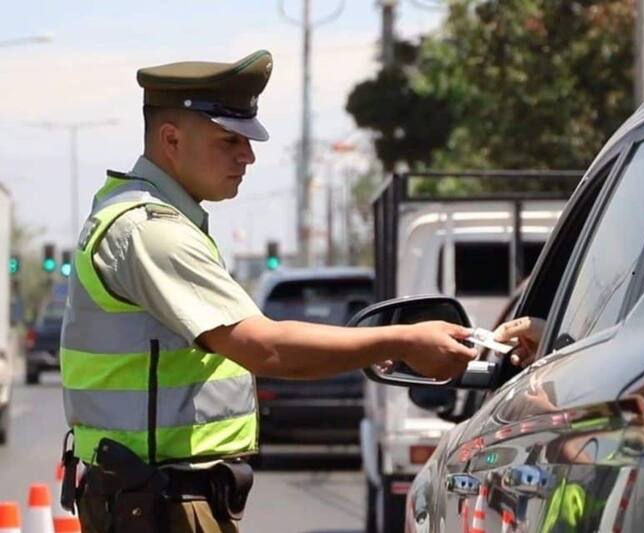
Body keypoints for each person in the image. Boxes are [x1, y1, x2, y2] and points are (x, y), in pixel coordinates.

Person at [58, 50, 477, 533]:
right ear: (170, 139)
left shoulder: (139, 217)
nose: (248, 156)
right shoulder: (152, 232)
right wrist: (400, 341)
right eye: (228, 140)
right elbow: (265, 348)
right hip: (159, 504)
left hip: (154, 497)